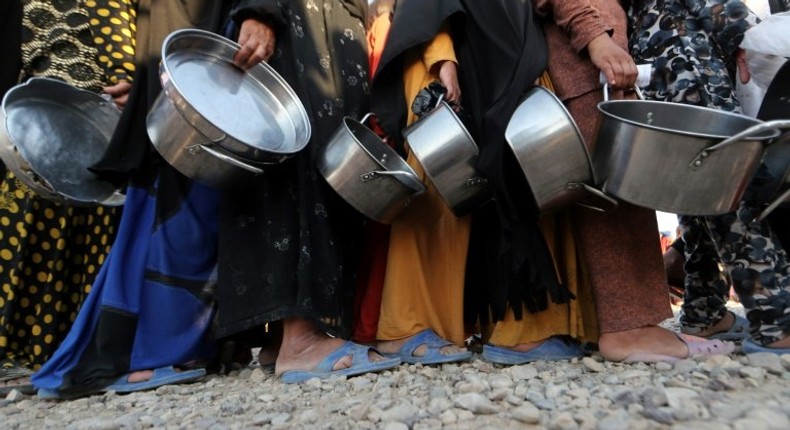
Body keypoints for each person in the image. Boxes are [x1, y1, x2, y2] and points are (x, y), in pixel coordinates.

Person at [30, 0, 279, 399]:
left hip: (203, 41)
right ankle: (149, 351)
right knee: (181, 201)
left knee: (200, 201)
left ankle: (184, 345)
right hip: (187, 45)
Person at [532, 0, 735, 363]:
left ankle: (633, 325)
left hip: (599, 67)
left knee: (622, 196)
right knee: (614, 199)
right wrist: (596, 39)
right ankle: (628, 331)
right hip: (588, 68)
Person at [214, 0, 402, 384]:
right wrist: (259, 11)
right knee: (295, 166)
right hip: (296, 15)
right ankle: (298, 342)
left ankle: (284, 338)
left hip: (337, 22)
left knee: (332, 169)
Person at [628, 0, 790, 355]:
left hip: (660, 66)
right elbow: (715, 6)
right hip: (690, 65)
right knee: (729, 188)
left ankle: (705, 311)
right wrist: (754, 37)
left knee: (696, 192)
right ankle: (776, 324)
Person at [0, 0, 134, 395]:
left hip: (105, 125)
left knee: (94, 238)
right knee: (26, 238)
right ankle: (17, 356)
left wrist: (135, 82)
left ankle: (68, 357)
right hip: (33, 124)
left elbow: (129, 34)